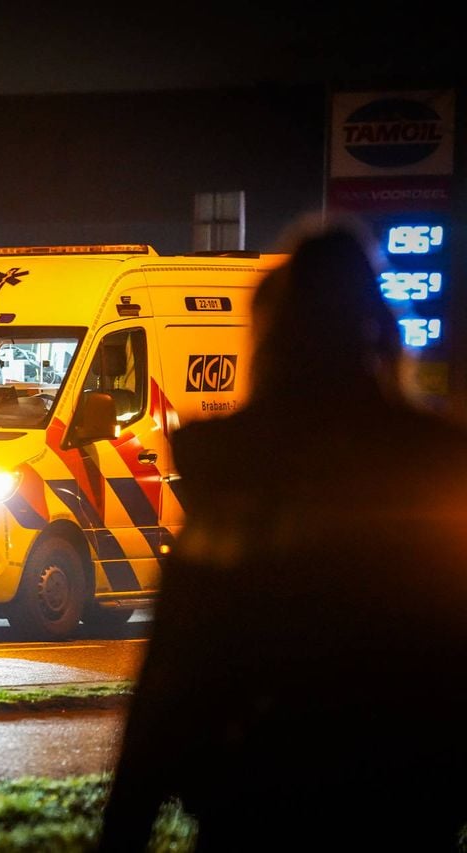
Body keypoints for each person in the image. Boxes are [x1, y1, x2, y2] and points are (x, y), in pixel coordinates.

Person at [97, 215, 467, 851]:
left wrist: (125, 825)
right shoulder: (433, 462)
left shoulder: (233, 468)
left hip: (258, 791)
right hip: (402, 799)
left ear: (271, 333)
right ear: (376, 326)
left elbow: (177, 664)